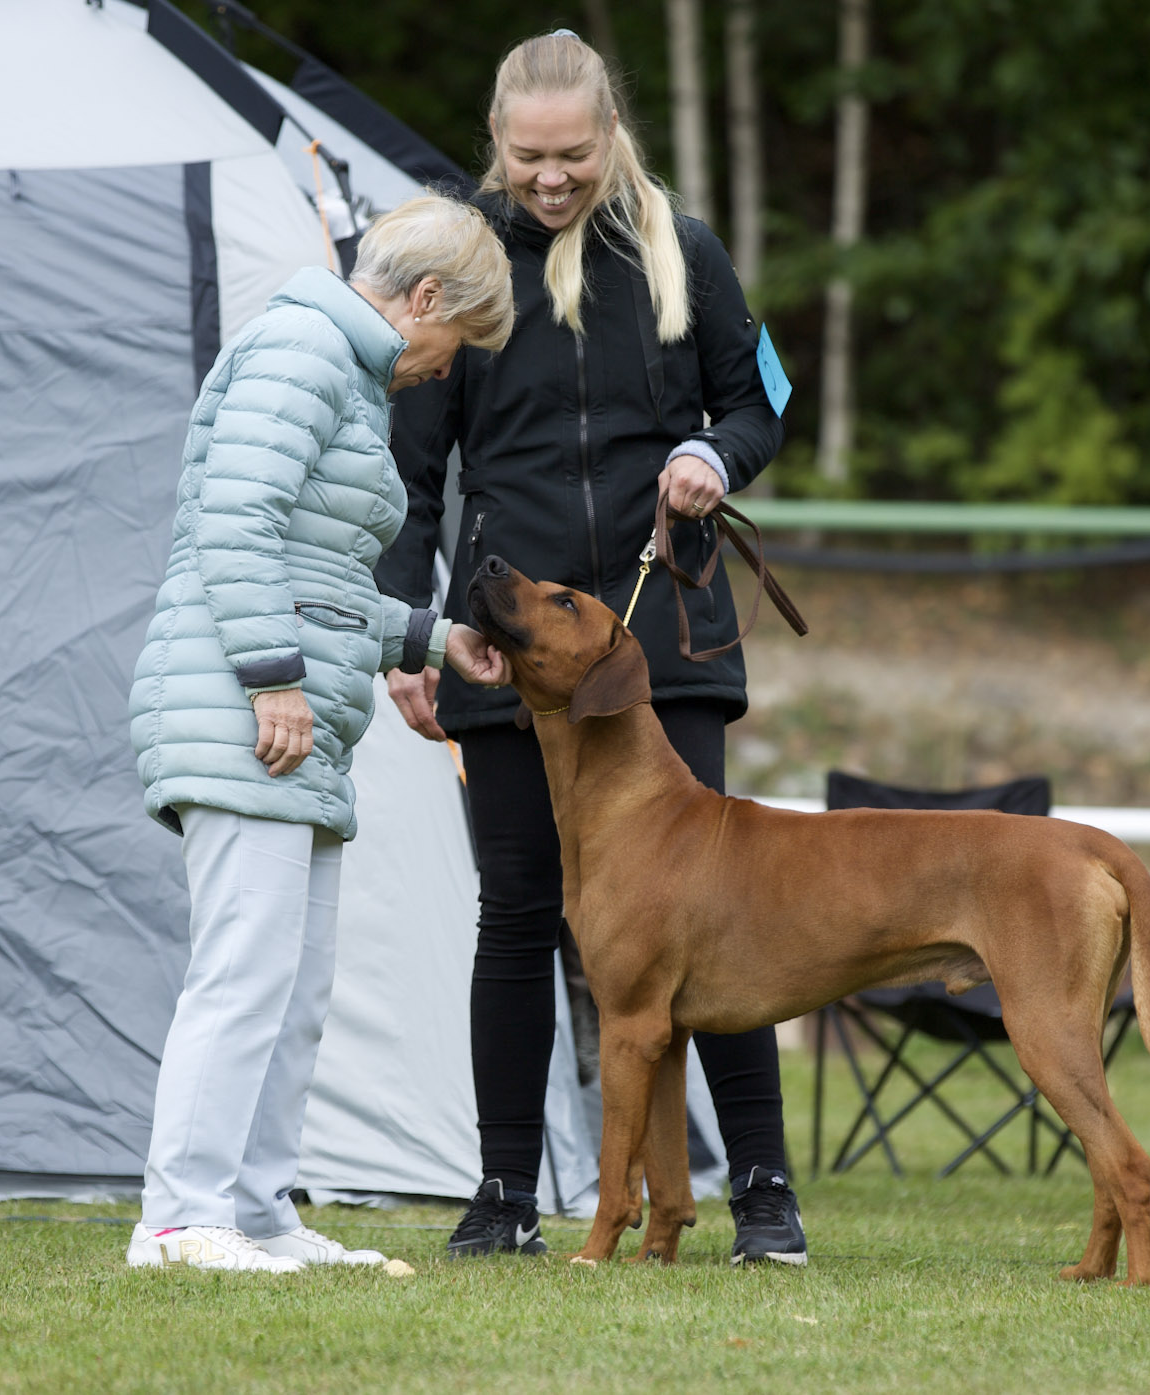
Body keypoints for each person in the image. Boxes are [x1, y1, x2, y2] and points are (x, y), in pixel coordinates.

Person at [379, 31, 806, 1265]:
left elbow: (760, 394)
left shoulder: (683, 249)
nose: (550, 180)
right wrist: (410, 632)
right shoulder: (455, 264)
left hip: (659, 630)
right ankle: (505, 1193)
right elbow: (413, 470)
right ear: (495, 144)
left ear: (609, 137)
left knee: (719, 920)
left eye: (572, 155)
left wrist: (710, 458)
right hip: (507, 644)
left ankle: (762, 1193)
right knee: (515, 913)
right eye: (526, 158)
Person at [124, 195, 516, 1273]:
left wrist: (434, 641)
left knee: (294, 987)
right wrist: (271, 680)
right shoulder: (301, 349)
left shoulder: (337, 373)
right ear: (424, 298)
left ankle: (252, 1212)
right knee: (244, 971)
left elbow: (324, 581)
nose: (445, 370)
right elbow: (233, 522)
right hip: (241, 711)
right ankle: (176, 1220)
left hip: (290, 721)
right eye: (455, 346)